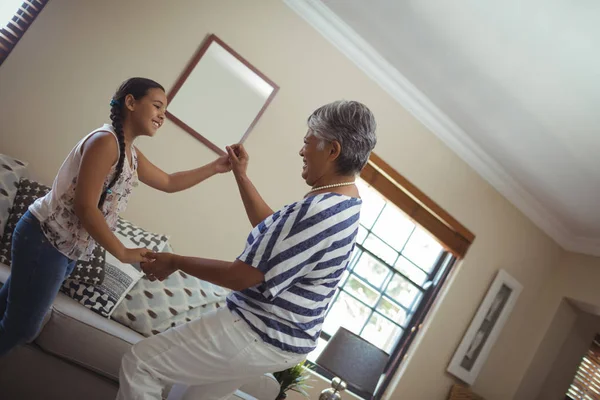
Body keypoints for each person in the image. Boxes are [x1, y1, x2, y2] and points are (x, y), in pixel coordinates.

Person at [117, 100, 377, 400]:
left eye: (308, 142)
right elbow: (274, 233)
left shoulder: (319, 210)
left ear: (333, 150)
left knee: (141, 365)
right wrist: (241, 176)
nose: (302, 151)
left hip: (258, 330)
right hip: (278, 339)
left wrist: (175, 260)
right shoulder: (344, 204)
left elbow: (241, 276)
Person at [0, 77, 231, 356]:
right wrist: (123, 252)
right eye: (157, 106)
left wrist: (216, 167)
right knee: (21, 328)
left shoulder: (130, 153)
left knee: (8, 310)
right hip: (44, 239)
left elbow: (169, 182)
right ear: (131, 102)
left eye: (165, 111)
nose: (162, 116)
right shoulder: (105, 142)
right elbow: (86, 207)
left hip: (62, 248)